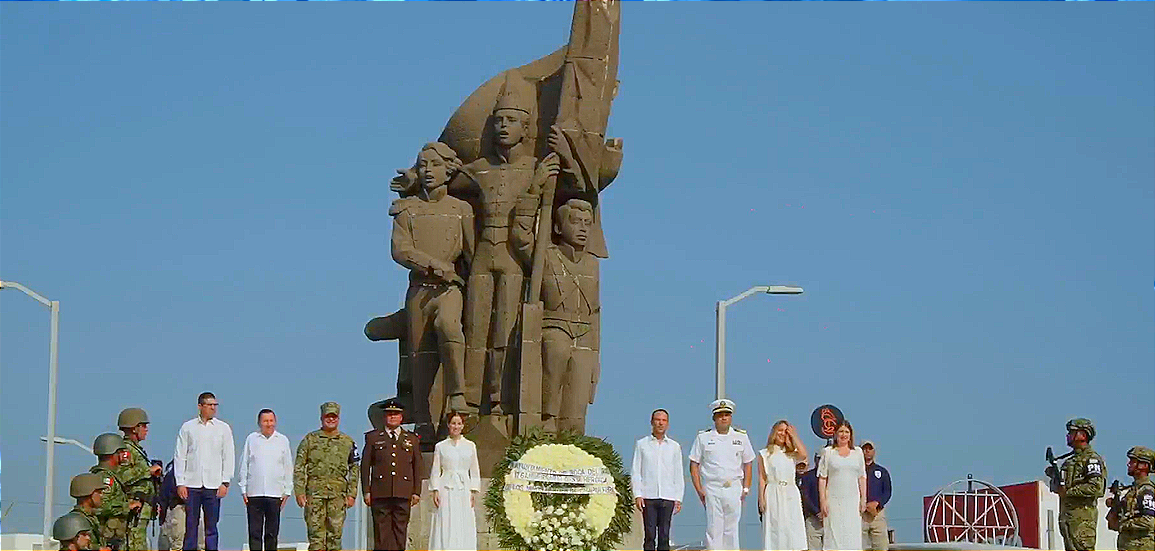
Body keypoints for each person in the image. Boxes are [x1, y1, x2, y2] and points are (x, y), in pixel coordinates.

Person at [449, 71, 560, 416]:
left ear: (526, 129)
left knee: (506, 330)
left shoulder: (533, 168)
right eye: (498, 120)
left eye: (511, 120)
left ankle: (500, 397)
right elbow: (440, 180)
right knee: (475, 328)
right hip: (483, 251)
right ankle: (468, 399)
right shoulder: (478, 168)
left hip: (513, 256)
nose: (503, 126)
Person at [390, 142, 475, 439]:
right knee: (420, 357)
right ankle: (424, 423)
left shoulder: (461, 210)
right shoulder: (407, 210)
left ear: (448, 170)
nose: (428, 171)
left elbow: (471, 254)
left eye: (435, 165)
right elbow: (400, 250)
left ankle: (458, 394)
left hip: (449, 289)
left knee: (449, 327)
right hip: (419, 289)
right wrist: (433, 264)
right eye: (423, 165)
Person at [689, 399, 755, 551]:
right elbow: (694, 464)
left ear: (731, 417)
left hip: (733, 486)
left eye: (727, 415)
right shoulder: (703, 438)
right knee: (714, 527)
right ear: (714, 418)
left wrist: (746, 488)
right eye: (720, 415)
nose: (723, 418)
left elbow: (748, 463)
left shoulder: (741, 437)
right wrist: (699, 489)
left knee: (732, 528)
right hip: (712, 487)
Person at [294, 402, 360, 551]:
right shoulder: (310, 440)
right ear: (321, 417)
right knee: (316, 538)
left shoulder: (347, 442)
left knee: (335, 538)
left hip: (338, 496)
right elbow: (299, 467)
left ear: (339, 418)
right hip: (314, 496)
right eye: (327, 416)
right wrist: (299, 492)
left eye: (334, 417)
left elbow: (354, 468)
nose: (331, 420)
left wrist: (352, 494)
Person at [174, 391, 234, 551]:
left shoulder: (223, 428)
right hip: (192, 484)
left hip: (214, 484)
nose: (213, 408)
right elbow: (180, 456)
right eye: (210, 405)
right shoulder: (188, 427)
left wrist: (225, 482)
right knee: (191, 525)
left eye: (215, 405)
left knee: (212, 526)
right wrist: (180, 483)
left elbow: (228, 456)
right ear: (200, 406)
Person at [361, 398, 424, 551]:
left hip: (403, 492)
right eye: (390, 414)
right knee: (381, 533)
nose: (393, 417)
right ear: (384, 417)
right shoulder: (373, 437)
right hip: (380, 492)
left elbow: (418, 466)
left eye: (396, 414)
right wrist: (366, 491)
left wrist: (416, 491)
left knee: (400, 532)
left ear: (401, 417)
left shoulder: (412, 439)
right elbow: (365, 466)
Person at [630, 409, 684, 551]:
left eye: (664, 420)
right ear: (652, 422)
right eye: (657, 420)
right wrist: (638, 494)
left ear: (667, 424)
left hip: (668, 496)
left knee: (664, 535)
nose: (660, 423)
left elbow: (678, 473)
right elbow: (636, 471)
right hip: (649, 496)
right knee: (649, 535)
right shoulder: (642, 444)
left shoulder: (674, 446)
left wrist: (678, 497)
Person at [239, 409, 293, 551]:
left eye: (271, 421)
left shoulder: (282, 440)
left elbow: (288, 467)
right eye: (265, 421)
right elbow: (244, 464)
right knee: (254, 533)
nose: (268, 424)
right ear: (259, 423)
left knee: (272, 533)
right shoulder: (252, 439)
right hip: (254, 493)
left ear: (275, 422)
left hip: (275, 494)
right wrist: (243, 489)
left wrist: (287, 491)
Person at [428, 411, 481, 551]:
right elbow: (435, 469)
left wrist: (473, 491)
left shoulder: (470, 445)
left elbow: (474, 469)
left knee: (463, 519)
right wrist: (435, 490)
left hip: (464, 488)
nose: (456, 427)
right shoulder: (440, 446)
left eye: (459, 424)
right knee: (445, 519)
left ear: (463, 426)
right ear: (448, 425)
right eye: (453, 423)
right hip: (446, 487)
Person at [1056, 418, 1106, 551]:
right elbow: (1061, 487)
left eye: (1072, 432)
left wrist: (1068, 492)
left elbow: (1096, 488)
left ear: (1083, 435)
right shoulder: (1069, 462)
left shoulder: (1091, 459)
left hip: (1082, 523)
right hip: (1068, 521)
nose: (1068, 436)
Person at [758, 420, 808, 551]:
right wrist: (761, 499)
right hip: (773, 492)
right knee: (776, 528)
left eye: (785, 431)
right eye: (780, 430)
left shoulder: (791, 454)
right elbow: (762, 478)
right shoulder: (765, 454)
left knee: (792, 528)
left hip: (790, 492)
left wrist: (794, 436)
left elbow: (804, 455)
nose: (782, 434)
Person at [117, 407, 161, 551]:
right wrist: (148, 471)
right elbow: (123, 476)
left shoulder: (137, 450)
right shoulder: (126, 450)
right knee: (134, 544)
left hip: (143, 506)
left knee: (140, 542)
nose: (146, 429)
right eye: (143, 426)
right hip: (134, 506)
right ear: (134, 428)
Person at [818, 420, 866, 551]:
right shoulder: (828, 452)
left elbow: (862, 477)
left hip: (852, 501)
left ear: (850, 434)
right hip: (833, 501)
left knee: (852, 535)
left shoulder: (858, 452)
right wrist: (823, 501)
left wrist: (863, 499)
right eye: (841, 432)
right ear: (835, 434)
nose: (843, 435)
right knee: (834, 536)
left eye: (846, 432)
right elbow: (822, 478)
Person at [89, 433, 138, 548]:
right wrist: (126, 507)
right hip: (106, 538)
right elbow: (100, 507)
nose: (124, 455)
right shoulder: (105, 478)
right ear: (112, 454)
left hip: (115, 537)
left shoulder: (113, 476)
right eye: (120, 452)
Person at [1110, 446, 1154, 550]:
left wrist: (1123, 524)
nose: (1128, 464)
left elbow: (1148, 521)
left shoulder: (1147, 491)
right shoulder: (1132, 491)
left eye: (1133, 461)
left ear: (1144, 465)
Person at [861, 441, 892, 550]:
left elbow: (887, 491)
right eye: (865, 449)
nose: (867, 451)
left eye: (870, 449)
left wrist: (877, 503)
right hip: (860, 514)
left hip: (877, 514)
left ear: (874, 451)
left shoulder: (882, 471)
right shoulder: (856, 471)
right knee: (859, 546)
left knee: (881, 546)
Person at [69, 473, 109, 551]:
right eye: (99, 492)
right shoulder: (77, 521)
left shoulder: (92, 517)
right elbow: (76, 546)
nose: (102, 496)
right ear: (89, 493)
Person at [799, 454, 823, 550]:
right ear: (815, 459)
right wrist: (817, 512)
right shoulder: (808, 476)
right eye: (819, 458)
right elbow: (805, 497)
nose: (821, 461)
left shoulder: (835, 475)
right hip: (813, 519)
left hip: (832, 519)